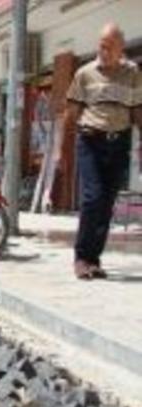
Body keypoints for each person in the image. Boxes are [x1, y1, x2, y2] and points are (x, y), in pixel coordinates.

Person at [66, 23, 141, 280]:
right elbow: (72, 111)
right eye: (101, 46)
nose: (104, 52)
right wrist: (64, 150)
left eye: (110, 47)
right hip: (91, 141)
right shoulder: (84, 73)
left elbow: (137, 110)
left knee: (107, 203)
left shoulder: (133, 73)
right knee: (93, 198)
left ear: (121, 48)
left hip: (119, 143)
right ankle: (81, 257)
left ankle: (93, 260)